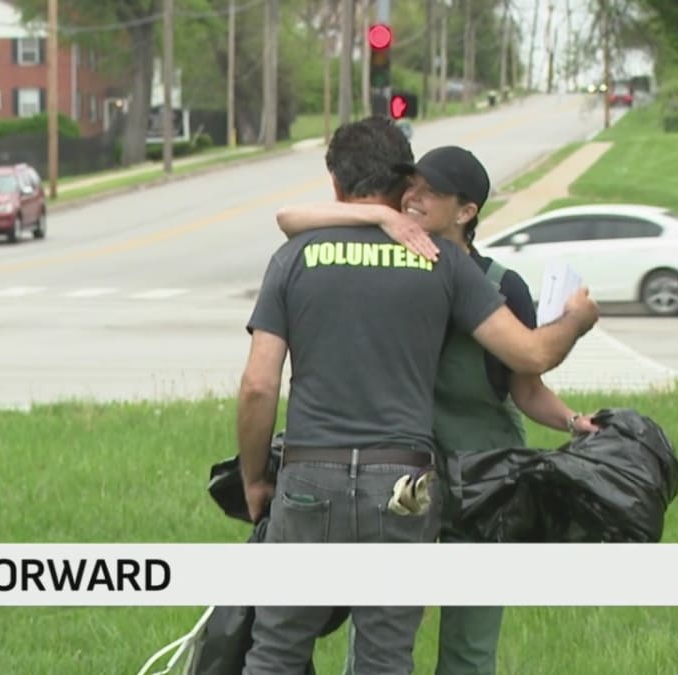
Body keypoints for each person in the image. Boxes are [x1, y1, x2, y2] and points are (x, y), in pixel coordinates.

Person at [237, 118, 599, 675]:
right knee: (384, 657)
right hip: (402, 485)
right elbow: (530, 357)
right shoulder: (441, 261)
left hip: (311, 476)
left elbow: (259, 385)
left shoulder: (296, 255)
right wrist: (574, 320)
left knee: (278, 649)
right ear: (401, 184)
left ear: (335, 184)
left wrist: (256, 478)